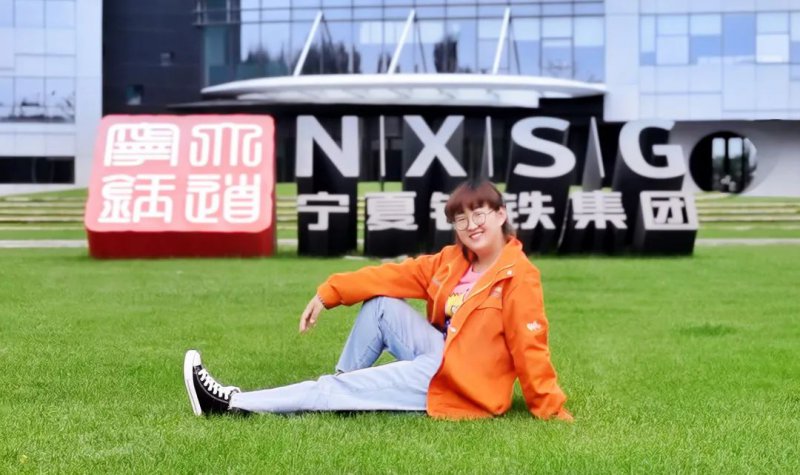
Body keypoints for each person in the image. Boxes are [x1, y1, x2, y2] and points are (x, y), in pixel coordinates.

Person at [184, 179, 573, 421]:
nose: (471, 226)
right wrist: (329, 292)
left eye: (480, 214)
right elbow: (393, 275)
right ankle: (341, 391)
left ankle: (232, 404)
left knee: (333, 389)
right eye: (460, 219)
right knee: (381, 305)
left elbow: (530, 348)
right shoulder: (452, 261)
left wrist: (551, 410)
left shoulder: (518, 276)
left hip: (457, 380)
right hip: (440, 353)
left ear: (501, 214)